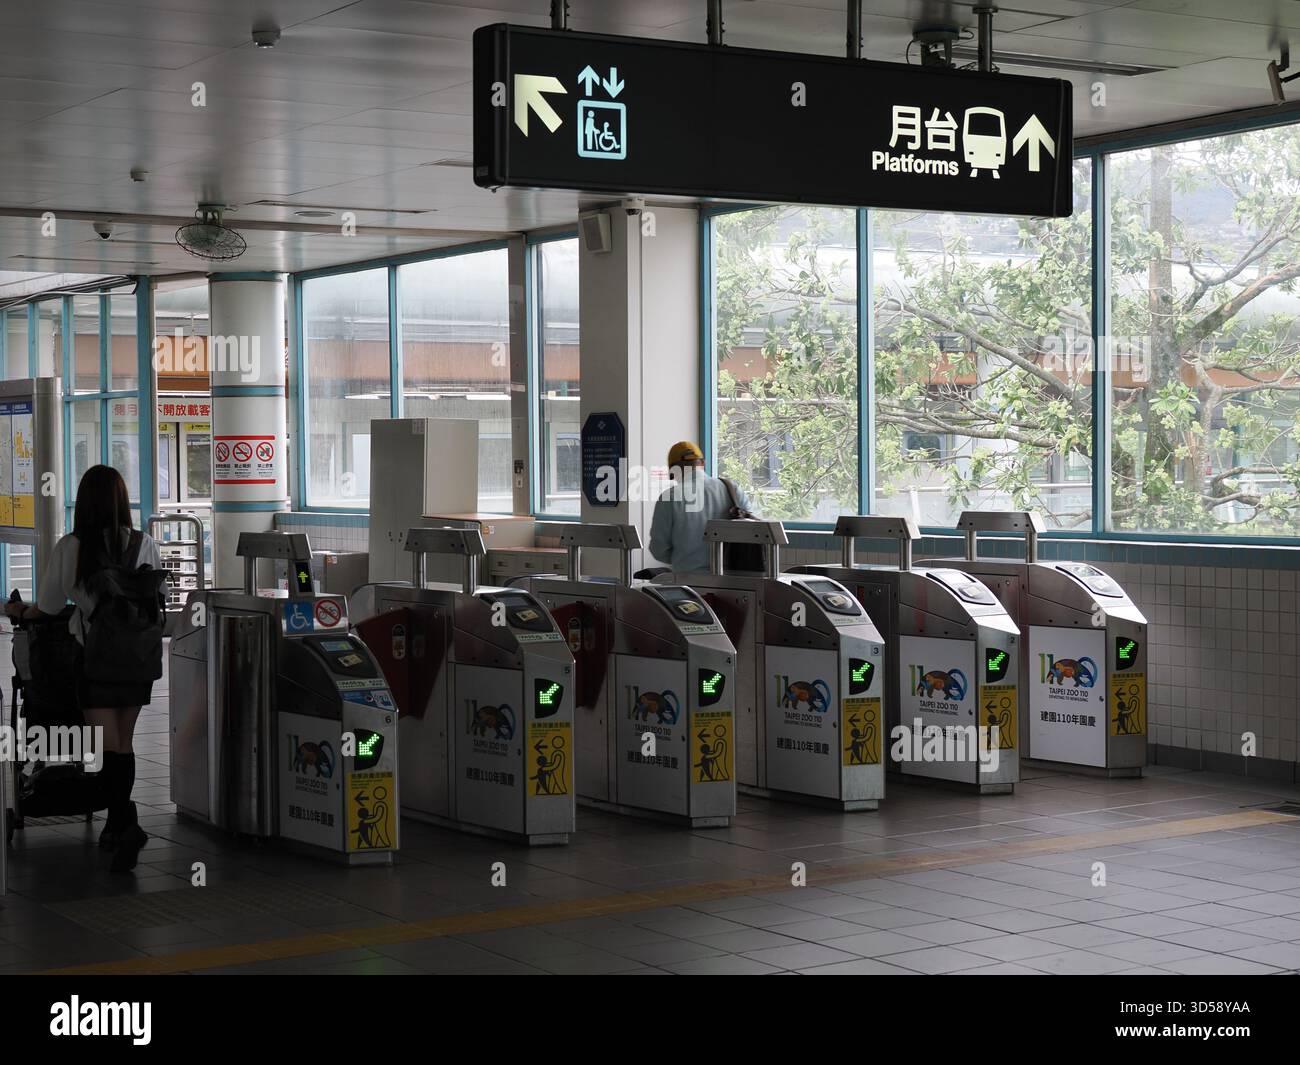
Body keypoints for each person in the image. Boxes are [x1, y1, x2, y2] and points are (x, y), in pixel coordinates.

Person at [4, 465, 163, 872]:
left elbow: (50, 607)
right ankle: (119, 824)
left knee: (106, 746)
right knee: (122, 743)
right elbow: (158, 596)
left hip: (96, 661)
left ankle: (126, 826)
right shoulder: (145, 543)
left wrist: (19, 610)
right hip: (139, 659)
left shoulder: (73, 545)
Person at [647, 441, 756, 575]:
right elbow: (754, 531)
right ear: (703, 463)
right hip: (733, 581)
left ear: (672, 471)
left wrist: (683, 558)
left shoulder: (669, 497)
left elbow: (659, 550)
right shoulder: (731, 489)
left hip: (688, 582)